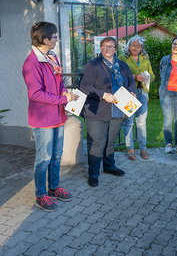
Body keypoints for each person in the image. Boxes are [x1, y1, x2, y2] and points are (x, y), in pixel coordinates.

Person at [22, 22, 78, 212]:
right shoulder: (32, 62)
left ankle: (53, 188)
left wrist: (66, 99)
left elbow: (60, 82)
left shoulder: (51, 57)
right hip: (43, 119)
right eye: (54, 36)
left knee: (56, 156)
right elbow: (35, 94)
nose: (57, 39)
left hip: (58, 115)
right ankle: (41, 195)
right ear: (45, 40)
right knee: (43, 159)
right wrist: (62, 98)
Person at [79, 36, 136, 187]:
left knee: (110, 142)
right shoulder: (92, 65)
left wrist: (131, 92)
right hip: (97, 111)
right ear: (100, 48)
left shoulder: (122, 66)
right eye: (104, 46)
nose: (107, 49)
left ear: (116, 49)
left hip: (118, 110)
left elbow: (131, 82)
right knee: (97, 143)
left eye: (111, 46)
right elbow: (84, 86)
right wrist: (103, 95)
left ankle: (109, 166)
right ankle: (93, 173)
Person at [118, 35, 155, 161]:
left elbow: (153, 75)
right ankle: (130, 149)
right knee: (128, 121)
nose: (136, 48)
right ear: (129, 45)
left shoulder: (145, 57)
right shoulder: (122, 58)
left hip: (143, 92)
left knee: (141, 122)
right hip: (129, 93)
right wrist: (134, 77)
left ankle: (143, 148)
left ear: (142, 48)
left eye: (139, 47)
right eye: (134, 45)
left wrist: (147, 77)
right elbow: (119, 76)